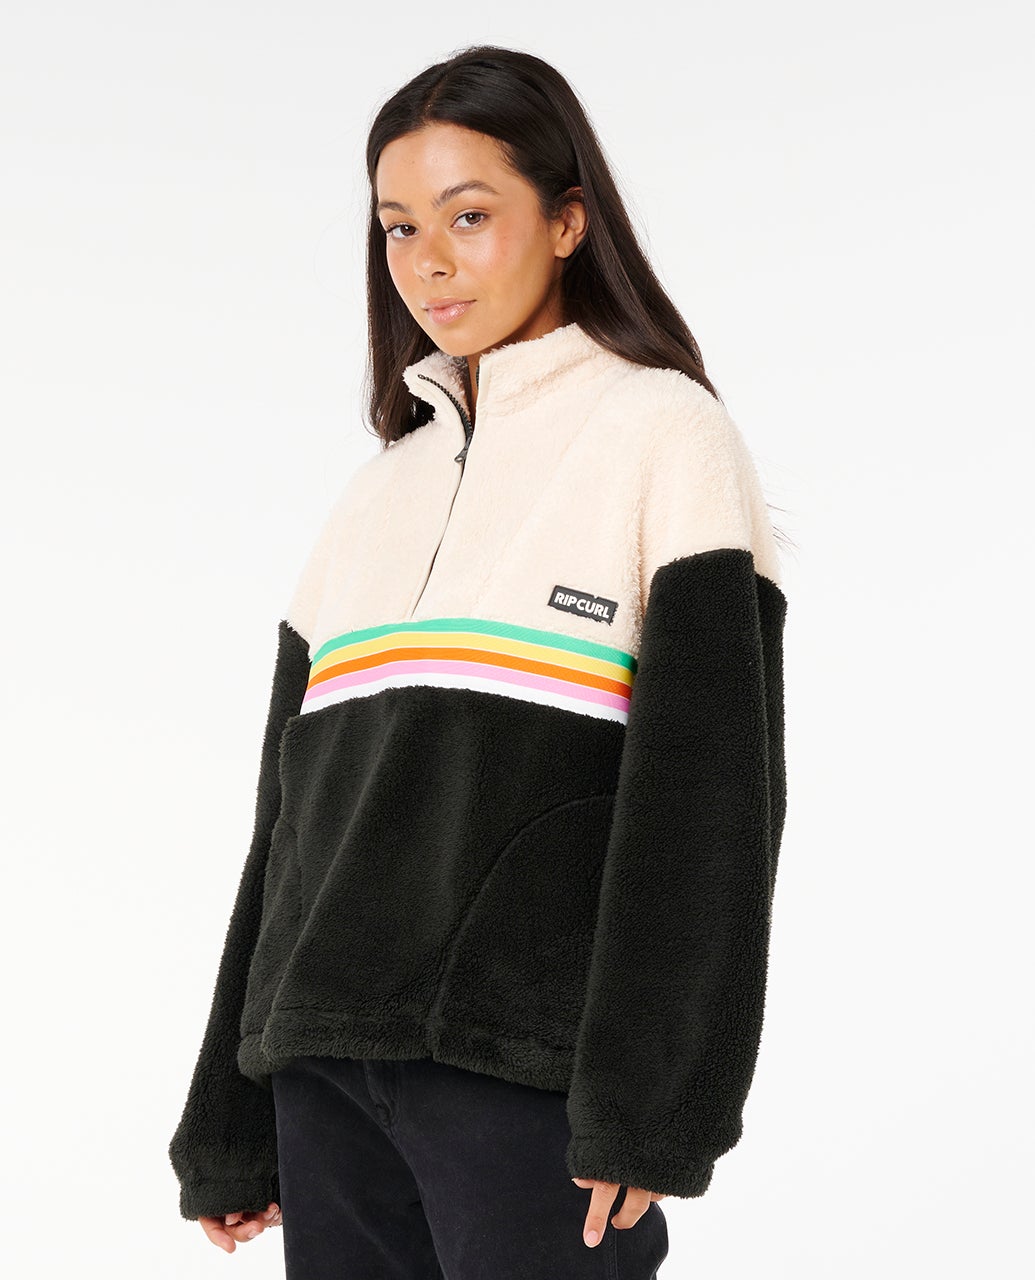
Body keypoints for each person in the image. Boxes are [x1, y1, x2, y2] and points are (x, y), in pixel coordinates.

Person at [167, 44, 789, 1280]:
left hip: (523, 1076)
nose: (427, 261)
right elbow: (287, 826)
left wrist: (653, 1104)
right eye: (399, 226)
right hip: (325, 1074)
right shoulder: (374, 494)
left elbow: (711, 806)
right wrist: (229, 1118)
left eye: (468, 215)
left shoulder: (664, 434)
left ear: (567, 220)